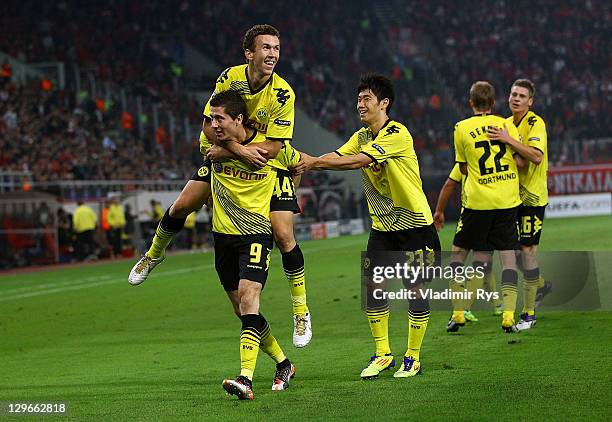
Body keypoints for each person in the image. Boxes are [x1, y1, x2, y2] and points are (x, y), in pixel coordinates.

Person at [128, 24, 312, 348]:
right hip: (228, 156)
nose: (272, 54)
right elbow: (207, 128)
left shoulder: (283, 93)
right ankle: (153, 255)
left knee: (284, 235)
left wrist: (232, 147)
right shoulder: (229, 78)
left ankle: (301, 311)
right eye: (266, 48)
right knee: (183, 205)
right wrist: (237, 149)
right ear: (249, 53)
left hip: (272, 165)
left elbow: (272, 148)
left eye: (276, 48)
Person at [296, 73, 440, 379]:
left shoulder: (397, 133)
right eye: (358, 99)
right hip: (383, 226)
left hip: (415, 224)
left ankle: (412, 357)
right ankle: (382, 354)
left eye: (366, 99)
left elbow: (356, 162)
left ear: (383, 103)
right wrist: (307, 161)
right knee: (374, 288)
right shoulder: (361, 135)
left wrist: (312, 163)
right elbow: (339, 154)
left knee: (415, 290)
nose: (359, 104)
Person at [208, 91, 297, 400]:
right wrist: (236, 151)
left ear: (238, 120)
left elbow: (294, 162)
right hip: (223, 238)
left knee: (249, 297)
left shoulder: (270, 149)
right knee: (243, 310)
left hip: (256, 234)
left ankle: (245, 378)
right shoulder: (211, 144)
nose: (213, 125)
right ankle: (284, 363)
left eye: (219, 119)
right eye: (211, 118)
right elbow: (209, 147)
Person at [449, 81, 521, 333]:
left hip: (478, 202)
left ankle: (458, 312)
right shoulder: (507, 124)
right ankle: (509, 315)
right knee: (508, 257)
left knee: (460, 253)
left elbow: (464, 168)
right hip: (507, 200)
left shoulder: (461, 128)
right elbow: (520, 159)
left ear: (471, 103)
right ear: (493, 104)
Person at [492, 78, 551, 330]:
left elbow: (535, 157)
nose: (516, 98)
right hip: (510, 197)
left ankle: (528, 314)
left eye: (521, 95)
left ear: (530, 101)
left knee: (527, 252)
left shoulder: (535, 123)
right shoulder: (505, 124)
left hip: (532, 198)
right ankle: (540, 285)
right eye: (513, 94)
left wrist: (508, 141)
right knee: (511, 251)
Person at [434, 164, 503, 320]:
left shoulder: (467, 157)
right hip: (492, 212)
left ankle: (494, 304)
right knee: (483, 261)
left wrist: (439, 210)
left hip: (469, 214)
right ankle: (464, 308)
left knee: (458, 257)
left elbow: (449, 184)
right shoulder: (497, 158)